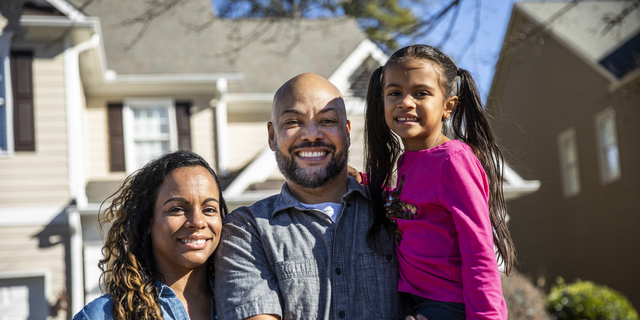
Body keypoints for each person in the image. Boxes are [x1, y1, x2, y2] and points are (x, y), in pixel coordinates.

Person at [214, 73, 411, 320]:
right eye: (293, 122)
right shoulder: (247, 230)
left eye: (327, 121)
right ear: (272, 136)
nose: (311, 135)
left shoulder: (395, 212)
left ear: (347, 132)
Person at [363, 44, 514, 320]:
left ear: (448, 106)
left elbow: (478, 249)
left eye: (421, 93)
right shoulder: (407, 161)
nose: (405, 102)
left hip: (449, 306)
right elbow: (407, 205)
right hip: (417, 302)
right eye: (394, 93)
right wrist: (362, 180)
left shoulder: (453, 161)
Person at [73, 150, 228, 320]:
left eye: (209, 209)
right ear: (147, 221)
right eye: (177, 209)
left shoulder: (243, 302)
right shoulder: (103, 315)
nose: (198, 222)